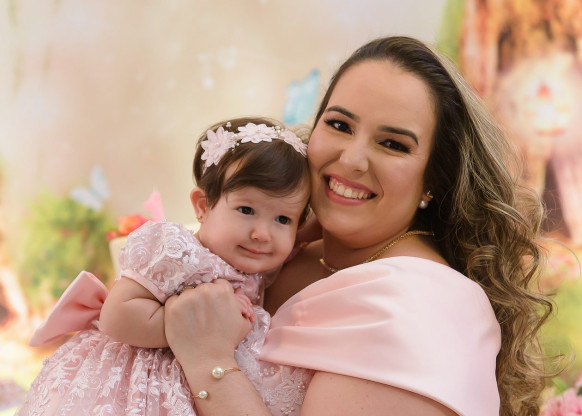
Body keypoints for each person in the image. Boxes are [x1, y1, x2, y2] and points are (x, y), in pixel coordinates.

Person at [163, 36, 554, 416]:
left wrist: (208, 362)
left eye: (393, 144)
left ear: (434, 178)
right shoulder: (282, 250)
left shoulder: (416, 309)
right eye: (339, 125)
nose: (352, 159)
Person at [16, 116, 312, 415]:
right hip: (137, 382)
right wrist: (205, 326)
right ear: (203, 206)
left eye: (283, 219)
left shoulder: (260, 268)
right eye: (246, 210)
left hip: (206, 386)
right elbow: (117, 317)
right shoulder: (177, 251)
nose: (262, 234)